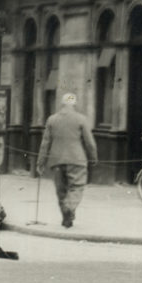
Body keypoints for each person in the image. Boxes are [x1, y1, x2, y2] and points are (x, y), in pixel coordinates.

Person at [37, 92, 98, 228]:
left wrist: (40, 162)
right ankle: (69, 208)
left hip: (56, 160)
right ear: (74, 104)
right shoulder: (81, 119)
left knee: (61, 190)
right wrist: (93, 157)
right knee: (76, 187)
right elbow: (90, 143)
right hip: (77, 160)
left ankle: (66, 217)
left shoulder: (52, 119)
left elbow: (45, 143)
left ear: (62, 104)